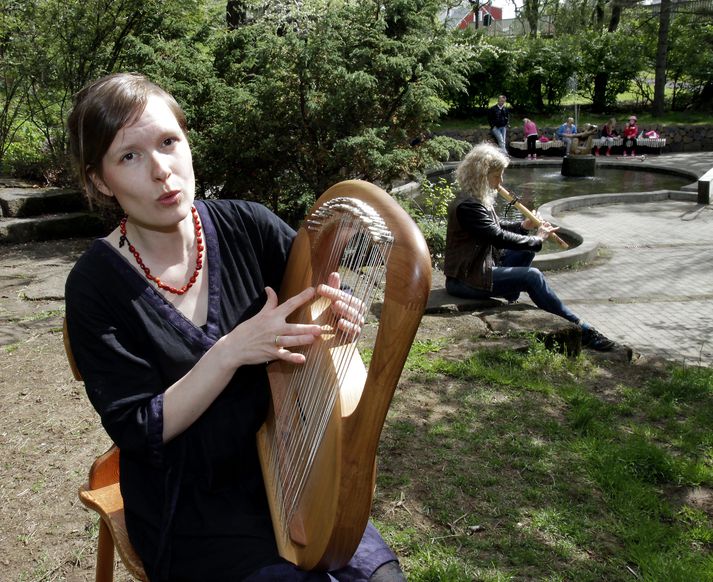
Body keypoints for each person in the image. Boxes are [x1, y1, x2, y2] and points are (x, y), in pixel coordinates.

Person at [64, 72, 405, 582]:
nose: (162, 171)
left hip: (287, 462)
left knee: (380, 577)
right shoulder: (93, 286)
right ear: (99, 180)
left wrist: (334, 318)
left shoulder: (250, 225)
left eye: (168, 142)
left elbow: (311, 305)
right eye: (129, 156)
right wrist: (229, 351)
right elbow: (138, 429)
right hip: (188, 502)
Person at [443, 142, 615, 352]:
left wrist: (525, 225)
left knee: (525, 250)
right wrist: (538, 239)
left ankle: (509, 298)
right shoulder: (469, 205)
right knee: (531, 276)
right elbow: (497, 237)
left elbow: (494, 227)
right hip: (466, 279)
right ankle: (583, 329)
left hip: (477, 270)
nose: (501, 181)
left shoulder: (472, 198)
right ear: (482, 175)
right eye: (497, 175)